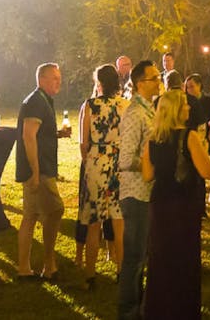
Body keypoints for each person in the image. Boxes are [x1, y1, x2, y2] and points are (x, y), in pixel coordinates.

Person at [141, 89, 210, 318]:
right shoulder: (189, 136)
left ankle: (159, 309)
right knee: (184, 258)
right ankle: (183, 310)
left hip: (160, 203)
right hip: (183, 203)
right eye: (184, 105)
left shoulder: (153, 138)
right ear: (175, 110)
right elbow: (206, 170)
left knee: (161, 258)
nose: (189, 108)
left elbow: (147, 174)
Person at [15, 62, 70, 281]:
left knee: (31, 215)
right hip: (39, 169)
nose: (59, 81)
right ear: (41, 79)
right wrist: (35, 172)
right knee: (55, 210)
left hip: (40, 167)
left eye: (59, 77)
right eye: (54, 78)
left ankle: (24, 268)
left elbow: (38, 134)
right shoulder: (36, 101)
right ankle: (49, 264)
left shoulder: (43, 101)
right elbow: (28, 137)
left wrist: (57, 134)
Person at [117, 60, 160, 318]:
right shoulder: (135, 113)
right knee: (134, 256)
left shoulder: (150, 110)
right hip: (135, 193)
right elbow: (125, 160)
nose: (159, 81)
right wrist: (150, 165)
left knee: (142, 254)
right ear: (140, 83)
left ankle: (140, 305)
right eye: (154, 78)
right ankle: (128, 311)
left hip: (148, 192)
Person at [79, 64, 126, 285]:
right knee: (118, 219)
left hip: (97, 161)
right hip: (118, 162)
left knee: (94, 220)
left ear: (99, 82)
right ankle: (121, 270)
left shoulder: (89, 106)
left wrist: (89, 159)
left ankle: (89, 273)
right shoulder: (125, 105)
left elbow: (83, 142)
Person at [184, 74, 210, 153]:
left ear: (199, 85)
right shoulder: (185, 103)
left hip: (205, 139)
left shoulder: (208, 101)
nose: (189, 90)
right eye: (187, 88)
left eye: (192, 86)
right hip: (190, 140)